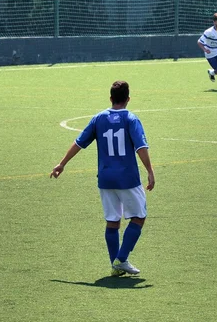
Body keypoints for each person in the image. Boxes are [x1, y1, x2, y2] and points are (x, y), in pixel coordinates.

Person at [50, 81, 155, 276]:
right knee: (139, 217)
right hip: (127, 178)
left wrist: (62, 163)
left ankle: (114, 264)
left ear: (110, 98)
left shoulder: (99, 118)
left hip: (105, 179)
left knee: (112, 221)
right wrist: (149, 170)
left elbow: (79, 143)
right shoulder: (131, 119)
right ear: (128, 99)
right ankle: (121, 259)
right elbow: (141, 147)